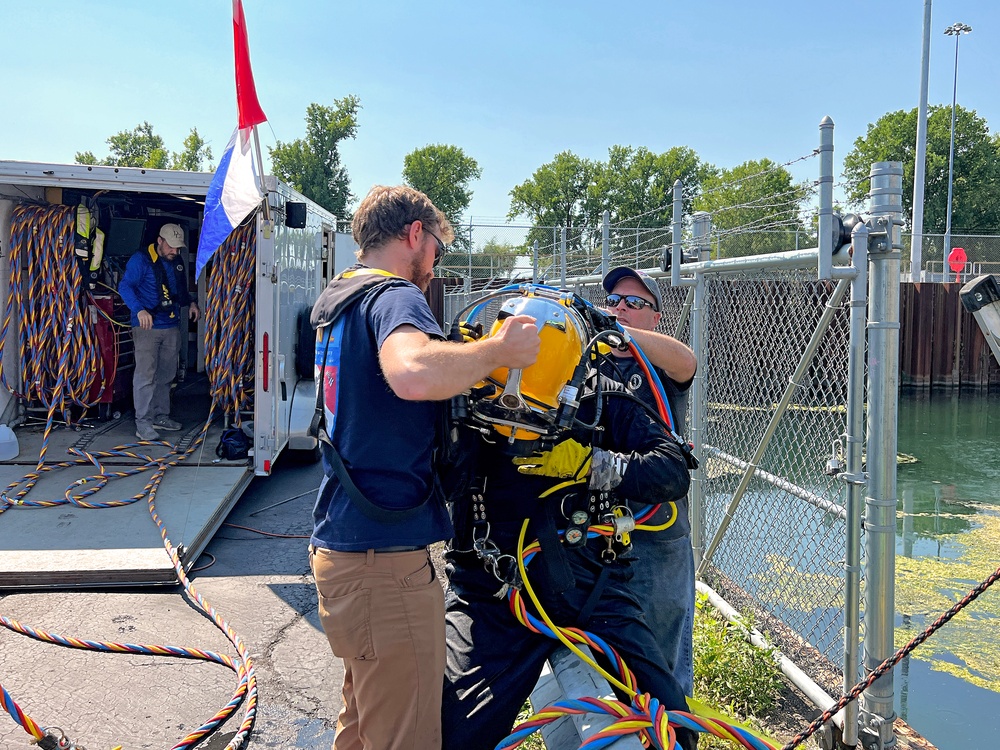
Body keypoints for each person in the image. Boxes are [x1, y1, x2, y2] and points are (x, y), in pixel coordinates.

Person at [307, 185, 540, 750]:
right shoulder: (393, 297)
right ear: (414, 233)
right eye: (435, 245)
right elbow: (412, 373)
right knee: (406, 738)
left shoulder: (339, 299)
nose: (434, 263)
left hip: (343, 548)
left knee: (363, 728)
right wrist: (496, 352)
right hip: (384, 566)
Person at [441, 291, 698, 750]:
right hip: (494, 592)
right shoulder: (472, 391)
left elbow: (673, 470)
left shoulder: (601, 397)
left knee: (671, 725)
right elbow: (431, 475)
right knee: (453, 732)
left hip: (593, 587)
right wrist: (458, 398)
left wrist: (593, 465)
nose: (519, 414)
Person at [601, 265, 698, 697]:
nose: (622, 308)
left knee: (661, 654)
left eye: (636, 303)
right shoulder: (590, 364)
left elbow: (688, 361)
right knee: (608, 654)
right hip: (599, 531)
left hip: (657, 534)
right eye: (614, 301)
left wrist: (615, 330)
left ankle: (671, 732)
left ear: (655, 317)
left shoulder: (662, 366)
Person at [118, 223, 199, 441]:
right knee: (145, 375)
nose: (175, 251)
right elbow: (124, 286)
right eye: (171, 247)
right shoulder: (141, 260)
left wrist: (191, 303)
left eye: (178, 248)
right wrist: (140, 310)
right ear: (160, 241)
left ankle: (161, 416)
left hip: (170, 325)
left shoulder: (176, 261)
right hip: (147, 327)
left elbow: (179, 289)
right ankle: (143, 423)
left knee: (167, 374)